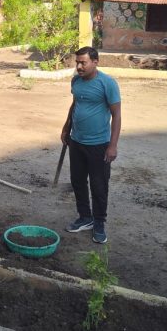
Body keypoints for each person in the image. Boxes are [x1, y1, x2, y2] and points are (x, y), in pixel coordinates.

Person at [61, 46, 121, 244]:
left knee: (99, 185)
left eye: (83, 63)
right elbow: (75, 104)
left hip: (99, 145)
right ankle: (85, 217)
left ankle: (99, 223)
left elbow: (117, 115)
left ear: (95, 62)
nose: (79, 67)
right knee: (77, 181)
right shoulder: (76, 81)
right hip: (77, 141)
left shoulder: (107, 84)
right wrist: (66, 128)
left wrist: (112, 146)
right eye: (77, 62)